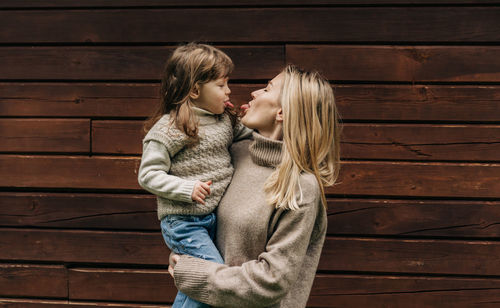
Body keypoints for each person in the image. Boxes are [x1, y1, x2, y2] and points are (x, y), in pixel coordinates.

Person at [168, 65, 341, 307]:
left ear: (281, 112)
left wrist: (195, 274)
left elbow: (272, 279)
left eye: (267, 89)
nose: (254, 93)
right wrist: (185, 251)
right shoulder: (234, 155)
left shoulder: (301, 186)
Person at [137, 43, 252, 308]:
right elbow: (148, 174)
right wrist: (185, 188)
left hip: (214, 219)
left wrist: (253, 118)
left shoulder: (225, 120)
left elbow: (251, 137)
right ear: (195, 89)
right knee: (210, 277)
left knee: (199, 280)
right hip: (184, 222)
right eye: (221, 85)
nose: (229, 90)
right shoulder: (171, 127)